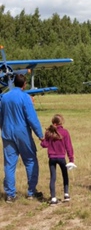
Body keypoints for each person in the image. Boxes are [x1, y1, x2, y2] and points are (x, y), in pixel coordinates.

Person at [0, 74, 44, 203]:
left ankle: (10, 195)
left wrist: (2, 128)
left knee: (9, 164)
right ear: (24, 84)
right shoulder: (25, 97)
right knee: (30, 160)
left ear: (13, 82)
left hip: (7, 132)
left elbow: (1, 116)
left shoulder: (4, 97)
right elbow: (31, 118)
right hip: (22, 132)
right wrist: (39, 134)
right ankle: (31, 191)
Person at [40, 114, 75, 205]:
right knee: (65, 175)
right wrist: (71, 159)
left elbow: (45, 145)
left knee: (53, 177)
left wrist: (42, 140)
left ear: (53, 122)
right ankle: (66, 194)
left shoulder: (49, 132)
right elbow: (69, 146)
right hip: (61, 157)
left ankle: (53, 198)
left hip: (52, 158)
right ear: (61, 122)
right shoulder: (65, 132)